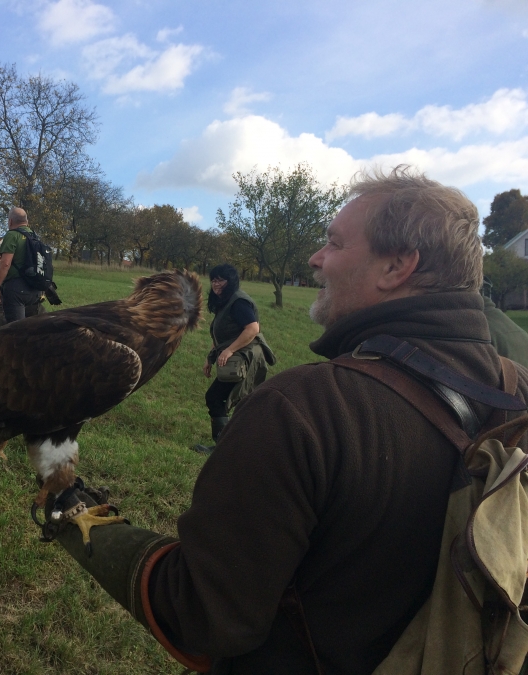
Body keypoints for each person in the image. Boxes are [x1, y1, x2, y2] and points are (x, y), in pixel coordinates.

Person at [47, 166, 528, 674]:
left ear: (396, 267)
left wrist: (83, 526)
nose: (315, 258)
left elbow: (203, 616)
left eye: (334, 244)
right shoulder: (518, 388)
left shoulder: (304, 409)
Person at [194, 263, 271, 454]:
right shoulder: (226, 301)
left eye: (221, 280)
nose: (216, 284)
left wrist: (229, 351)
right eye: (213, 280)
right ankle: (235, 445)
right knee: (234, 401)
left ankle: (224, 448)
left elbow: (252, 329)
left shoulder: (238, 302)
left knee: (216, 397)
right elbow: (220, 336)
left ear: (231, 281)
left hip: (245, 357)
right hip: (237, 355)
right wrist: (210, 358)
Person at [0, 207, 42, 324]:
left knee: (16, 328)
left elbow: (5, 264)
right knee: (30, 327)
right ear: (26, 221)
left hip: (17, 290)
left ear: (10, 222)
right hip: (35, 289)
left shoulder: (12, 235)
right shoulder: (34, 236)